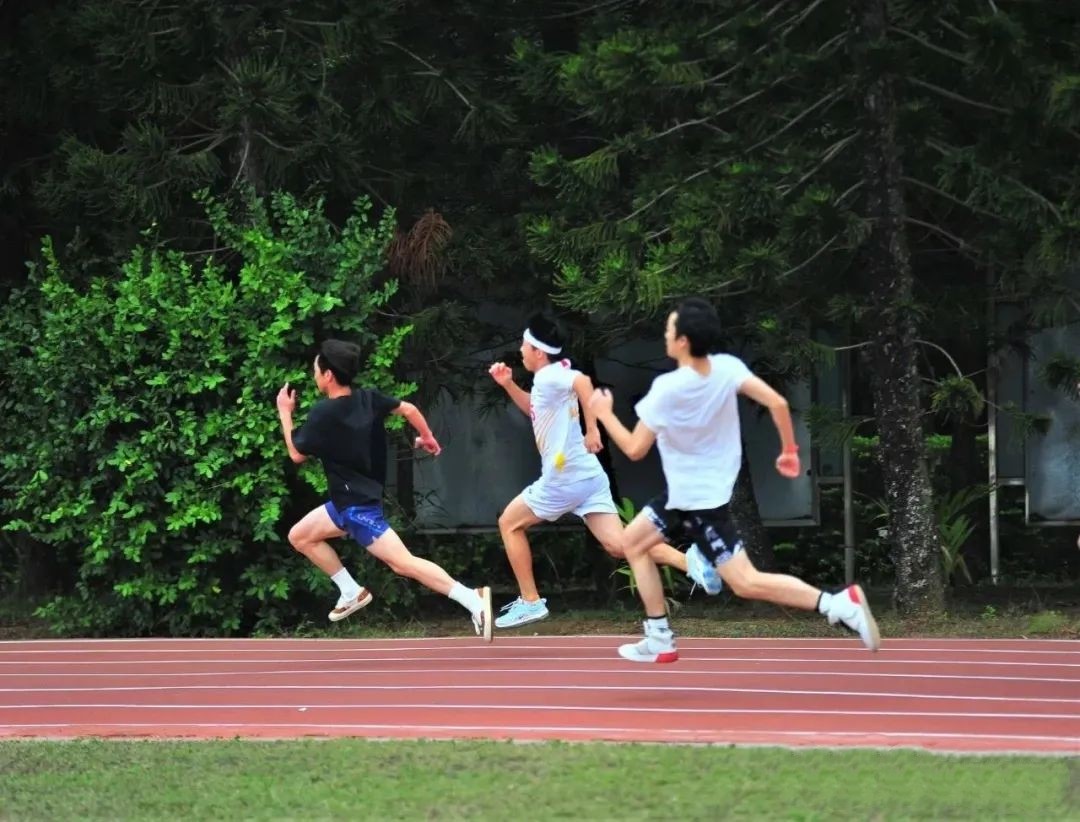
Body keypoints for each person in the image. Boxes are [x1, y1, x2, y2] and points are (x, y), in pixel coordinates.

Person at [588, 298, 880, 662]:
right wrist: (789, 451)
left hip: (700, 504)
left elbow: (634, 448)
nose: (665, 334)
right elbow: (777, 404)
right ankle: (659, 634)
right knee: (632, 543)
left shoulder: (668, 388)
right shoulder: (727, 368)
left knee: (745, 582)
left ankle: (838, 604)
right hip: (684, 495)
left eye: (669, 328)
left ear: (682, 341)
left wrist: (603, 413)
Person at [488, 313, 715, 630]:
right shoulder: (550, 377)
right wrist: (508, 384)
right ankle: (691, 562)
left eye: (524, 345)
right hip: (588, 477)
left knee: (509, 524)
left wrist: (592, 428)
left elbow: (583, 382)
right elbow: (535, 410)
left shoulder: (549, 376)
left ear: (538, 352)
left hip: (564, 478)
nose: (520, 350)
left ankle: (530, 601)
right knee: (618, 545)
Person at [276, 339, 493, 640]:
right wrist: (427, 437)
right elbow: (409, 409)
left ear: (328, 375)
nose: (314, 375)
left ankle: (473, 600)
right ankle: (350, 591)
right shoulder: (369, 398)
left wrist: (285, 412)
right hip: (345, 504)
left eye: (315, 370)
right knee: (300, 536)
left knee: (403, 564)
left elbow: (296, 454)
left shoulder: (323, 414)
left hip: (357, 509)